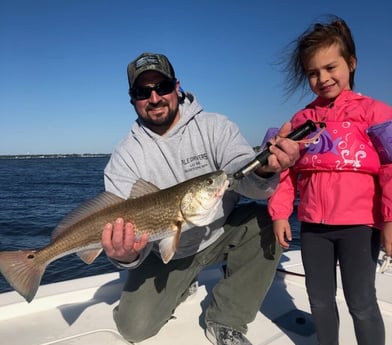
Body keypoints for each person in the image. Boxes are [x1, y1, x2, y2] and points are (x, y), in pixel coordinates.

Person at [101, 52, 300, 345]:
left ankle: (226, 320)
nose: (154, 97)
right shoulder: (125, 158)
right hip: (163, 252)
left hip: (219, 233)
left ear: (177, 87)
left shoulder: (215, 127)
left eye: (163, 87)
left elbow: (240, 172)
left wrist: (267, 167)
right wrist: (126, 256)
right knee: (133, 329)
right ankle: (183, 284)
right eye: (143, 92)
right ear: (132, 99)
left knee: (265, 222)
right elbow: (130, 249)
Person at [268, 16, 392, 345]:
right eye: (313, 72)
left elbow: (391, 169)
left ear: (351, 63)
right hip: (313, 228)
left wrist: (390, 219)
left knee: (362, 303)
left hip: (360, 226)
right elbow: (286, 170)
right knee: (320, 301)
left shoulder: (375, 112)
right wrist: (280, 213)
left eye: (331, 67)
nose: (323, 78)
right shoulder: (302, 120)